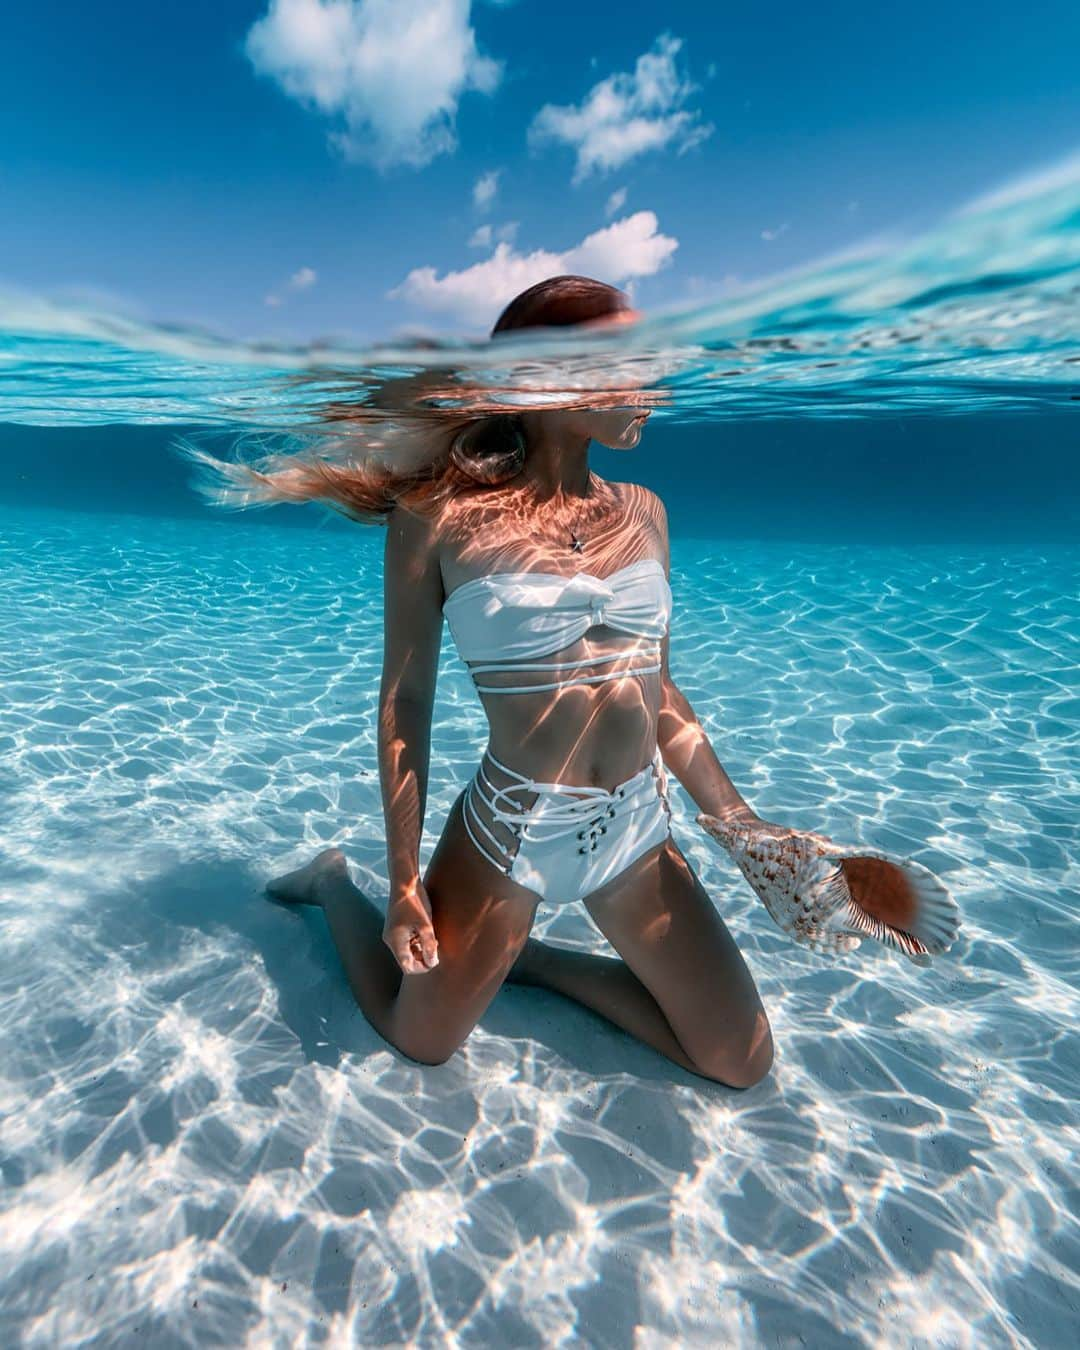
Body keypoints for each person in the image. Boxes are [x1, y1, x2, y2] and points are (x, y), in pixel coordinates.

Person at [250, 275, 775, 1088]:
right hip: (512, 830)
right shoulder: (436, 519)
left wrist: (748, 833)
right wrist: (400, 885)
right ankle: (331, 882)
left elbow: (660, 693)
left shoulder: (645, 511)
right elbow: (407, 699)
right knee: (415, 1035)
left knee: (740, 1061)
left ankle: (530, 963)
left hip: (636, 827)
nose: (657, 383)